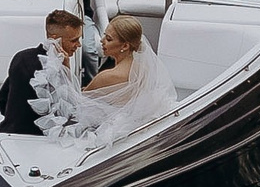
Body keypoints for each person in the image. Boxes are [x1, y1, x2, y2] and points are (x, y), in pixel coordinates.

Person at [34, 15, 176, 144]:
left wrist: (66, 66)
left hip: (108, 136)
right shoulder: (144, 69)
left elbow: (74, 106)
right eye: (104, 36)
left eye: (108, 39)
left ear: (125, 46)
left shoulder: (108, 76)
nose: (102, 41)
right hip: (135, 133)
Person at [0, 9, 85, 135]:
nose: (79, 45)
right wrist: (66, 68)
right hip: (41, 138)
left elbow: (2, 99)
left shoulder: (21, 57)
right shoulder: (55, 69)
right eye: (74, 40)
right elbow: (70, 109)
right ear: (55, 39)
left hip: (11, 130)